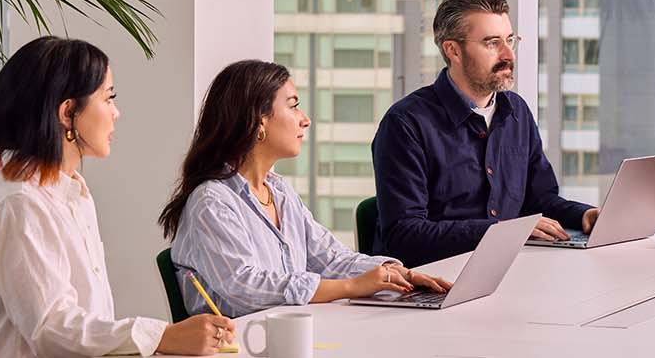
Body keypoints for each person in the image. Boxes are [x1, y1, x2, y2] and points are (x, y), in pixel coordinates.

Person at [0, 36, 232, 357]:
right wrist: (162, 337)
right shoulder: (20, 204)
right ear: (68, 112)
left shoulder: (73, 193)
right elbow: (52, 329)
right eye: (108, 98)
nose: (117, 113)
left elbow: (83, 322)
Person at [159, 60, 453, 318]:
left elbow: (329, 258)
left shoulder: (280, 192)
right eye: (293, 105)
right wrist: (350, 287)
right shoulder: (211, 201)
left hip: (291, 336)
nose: (305, 119)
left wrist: (396, 273)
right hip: (242, 345)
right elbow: (243, 287)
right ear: (258, 121)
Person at [372, 0, 599, 267]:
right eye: (492, 43)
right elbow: (403, 237)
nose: (508, 55)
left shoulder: (517, 111)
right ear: (453, 50)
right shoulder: (405, 124)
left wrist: (583, 216)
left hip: (508, 271)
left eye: (510, 40)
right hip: (434, 284)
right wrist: (501, 232)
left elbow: (539, 199)